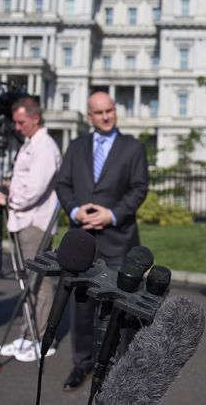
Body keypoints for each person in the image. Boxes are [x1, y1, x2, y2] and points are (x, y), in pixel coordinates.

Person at [54, 91, 149, 391]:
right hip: (83, 241)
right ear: (89, 116)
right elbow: (63, 183)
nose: (106, 116)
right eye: (99, 112)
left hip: (118, 239)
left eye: (110, 110)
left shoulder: (133, 148)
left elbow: (138, 188)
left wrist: (111, 214)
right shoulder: (77, 145)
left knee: (119, 310)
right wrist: (74, 209)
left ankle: (119, 371)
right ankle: (82, 364)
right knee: (81, 306)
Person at [0, 97, 61, 362]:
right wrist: (8, 191)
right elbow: (27, 183)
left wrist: (7, 200)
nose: (17, 127)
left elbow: (35, 189)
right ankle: (29, 334)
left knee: (38, 282)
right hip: (24, 220)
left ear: (35, 118)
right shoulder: (33, 144)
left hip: (34, 223)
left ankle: (41, 339)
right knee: (29, 282)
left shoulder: (44, 146)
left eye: (20, 122)